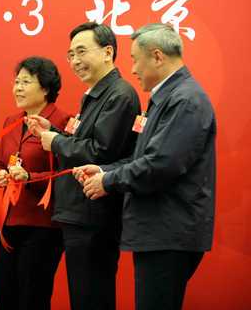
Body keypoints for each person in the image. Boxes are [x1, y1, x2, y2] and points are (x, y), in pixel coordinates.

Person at [76, 23, 216, 310]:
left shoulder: (185, 100)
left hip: (169, 232)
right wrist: (104, 172)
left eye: (134, 59)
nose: (133, 68)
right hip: (160, 230)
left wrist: (109, 182)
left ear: (157, 56)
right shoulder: (166, 98)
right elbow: (144, 157)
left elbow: (161, 165)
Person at [26, 22, 140, 310]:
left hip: (94, 213)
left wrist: (57, 142)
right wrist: (53, 131)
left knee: (92, 295)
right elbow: (86, 142)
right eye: (70, 55)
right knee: (83, 294)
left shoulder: (119, 95)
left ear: (107, 52)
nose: (75, 61)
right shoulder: (95, 94)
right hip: (79, 211)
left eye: (81, 52)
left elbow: (100, 151)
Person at [0, 56, 69, 310]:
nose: (18, 88)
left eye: (26, 82)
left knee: (32, 298)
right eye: (16, 82)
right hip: (8, 225)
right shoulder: (11, 121)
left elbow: (66, 175)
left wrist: (30, 178)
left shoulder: (63, 122)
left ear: (45, 88)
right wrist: (0, 176)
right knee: (5, 293)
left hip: (43, 226)